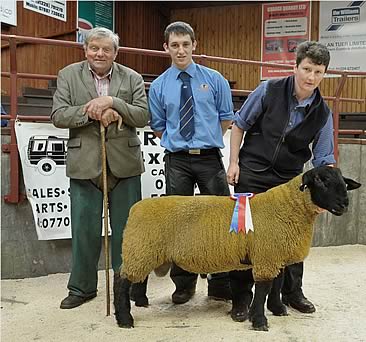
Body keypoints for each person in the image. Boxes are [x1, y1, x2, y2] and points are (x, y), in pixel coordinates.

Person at [226, 41, 335, 321]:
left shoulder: (323, 113)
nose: (311, 77)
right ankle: (240, 297)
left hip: (289, 181)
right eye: (307, 69)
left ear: (325, 74)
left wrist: (326, 194)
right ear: (295, 66)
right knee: (243, 237)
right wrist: (234, 162)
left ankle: (291, 292)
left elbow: (324, 159)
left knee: (293, 236)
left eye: (318, 72)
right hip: (252, 170)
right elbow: (239, 125)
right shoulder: (268, 90)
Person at [51, 27, 150, 309]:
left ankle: (129, 286)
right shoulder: (68, 75)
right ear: (85, 50)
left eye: (106, 49)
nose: (100, 54)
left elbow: (143, 115)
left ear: (115, 53)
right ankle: (81, 288)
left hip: (125, 164)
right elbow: (58, 115)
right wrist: (92, 110)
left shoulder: (132, 77)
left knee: (128, 231)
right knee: (84, 230)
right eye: (94, 48)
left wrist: (113, 102)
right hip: (85, 165)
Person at [149, 21, 234, 304]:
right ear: (166, 48)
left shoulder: (215, 79)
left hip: (209, 158)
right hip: (177, 161)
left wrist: (204, 140)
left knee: (219, 219)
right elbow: (159, 126)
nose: (181, 50)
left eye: (186, 44)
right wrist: (182, 145)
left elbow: (225, 118)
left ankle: (220, 281)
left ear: (195, 45)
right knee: (180, 223)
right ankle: (183, 284)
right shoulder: (160, 86)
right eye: (175, 45)